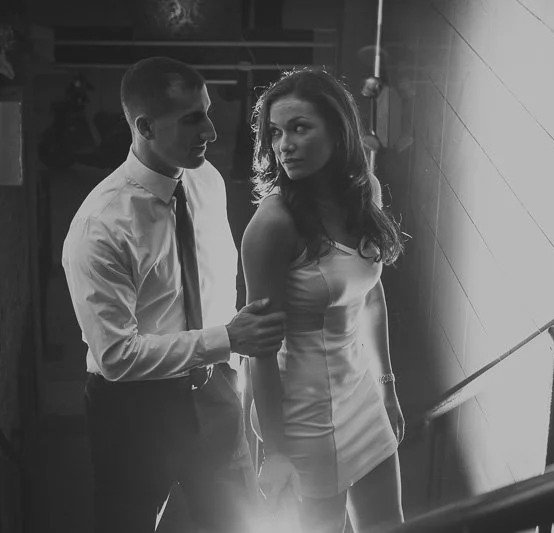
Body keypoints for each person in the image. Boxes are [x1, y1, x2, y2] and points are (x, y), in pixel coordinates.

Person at [61, 56, 286, 533]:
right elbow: (117, 357)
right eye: (191, 118)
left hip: (215, 393)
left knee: (243, 523)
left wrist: (232, 374)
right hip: (134, 411)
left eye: (206, 112)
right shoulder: (100, 228)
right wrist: (227, 338)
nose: (211, 129)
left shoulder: (208, 181)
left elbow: (218, 285)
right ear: (144, 126)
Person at [242, 68, 406, 533]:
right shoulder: (273, 225)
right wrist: (274, 450)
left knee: (389, 526)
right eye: (275, 132)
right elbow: (261, 349)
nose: (283, 145)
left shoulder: (364, 193)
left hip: (362, 395)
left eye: (299, 127)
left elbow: (371, 298)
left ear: (338, 131)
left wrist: (388, 386)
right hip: (303, 415)